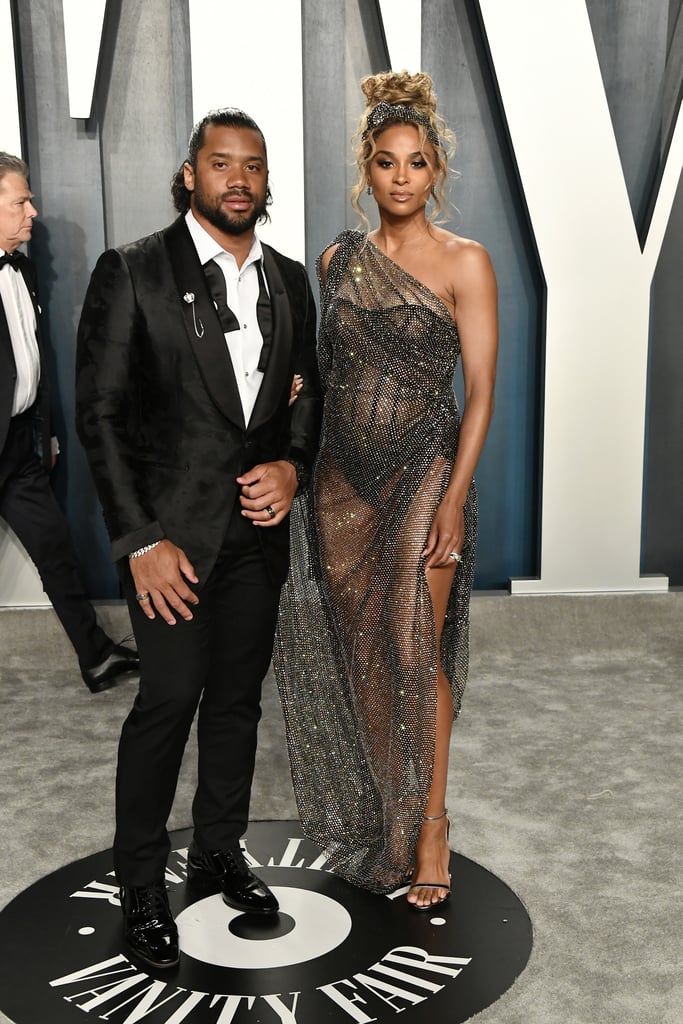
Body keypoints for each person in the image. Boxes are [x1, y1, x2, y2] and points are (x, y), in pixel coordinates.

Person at [75, 108, 322, 969]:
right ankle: (142, 880)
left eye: (252, 165)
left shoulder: (290, 280)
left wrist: (293, 467)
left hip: (257, 539)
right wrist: (139, 539)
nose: (239, 179)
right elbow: (99, 418)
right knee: (169, 701)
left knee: (237, 704)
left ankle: (219, 850)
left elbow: (305, 396)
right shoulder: (134, 270)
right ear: (190, 175)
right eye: (221, 164)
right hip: (170, 548)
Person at [274, 71, 498, 909]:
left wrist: (451, 496)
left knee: (413, 648)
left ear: (435, 170)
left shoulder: (465, 262)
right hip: (341, 484)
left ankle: (431, 824)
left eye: (415, 162)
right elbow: (323, 375)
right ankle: (389, 818)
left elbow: (478, 393)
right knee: (364, 656)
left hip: (423, 475)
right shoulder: (338, 259)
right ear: (365, 173)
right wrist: (299, 393)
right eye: (384, 162)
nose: (400, 176)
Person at [0, 152, 139, 693]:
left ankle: (96, 658)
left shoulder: (24, 269)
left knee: (56, 550)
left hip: (19, 448)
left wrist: (47, 431)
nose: (33, 211)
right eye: (20, 202)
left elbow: (32, 359)